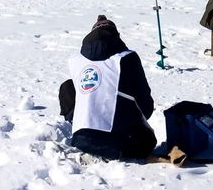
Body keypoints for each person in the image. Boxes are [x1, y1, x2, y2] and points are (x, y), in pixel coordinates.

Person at [58, 15, 156, 160]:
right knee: (147, 140)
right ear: (117, 37)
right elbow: (146, 107)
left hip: (82, 140)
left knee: (68, 87)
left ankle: (87, 136)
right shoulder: (127, 58)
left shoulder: (76, 60)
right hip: (120, 143)